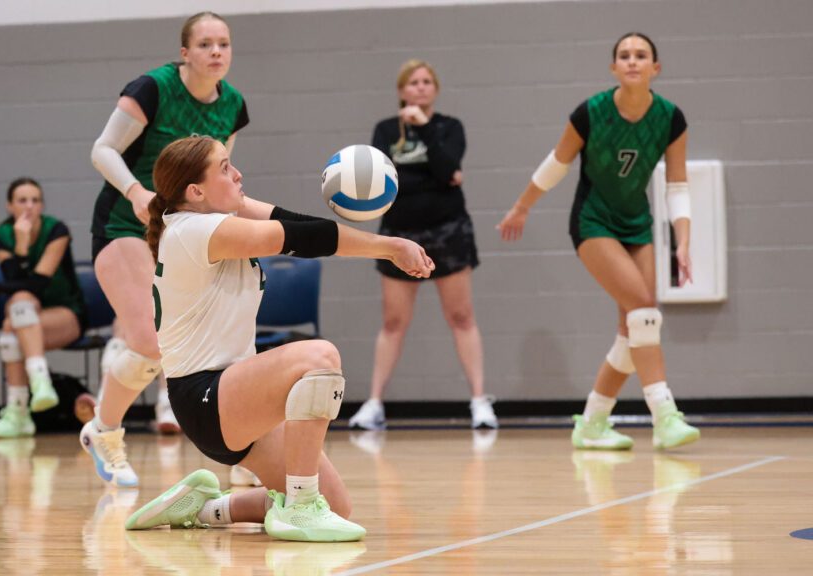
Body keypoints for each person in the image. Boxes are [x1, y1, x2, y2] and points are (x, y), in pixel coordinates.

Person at [121, 136, 433, 542]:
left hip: (236, 396)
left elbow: (301, 225)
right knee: (319, 356)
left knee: (338, 506)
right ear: (195, 192)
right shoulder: (197, 229)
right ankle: (300, 508)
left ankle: (205, 507)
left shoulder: (216, 214)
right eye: (225, 168)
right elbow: (304, 241)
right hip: (207, 397)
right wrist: (389, 247)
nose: (238, 175)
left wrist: (390, 246)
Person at [497, 32, 700, 451]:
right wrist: (522, 206)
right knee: (645, 312)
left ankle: (592, 422)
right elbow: (557, 163)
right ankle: (664, 416)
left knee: (633, 330)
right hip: (593, 222)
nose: (632, 61)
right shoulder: (590, 113)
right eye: (623, 55)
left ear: (655, 68)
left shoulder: (671, 118)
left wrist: (683, 241)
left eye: (641, 55)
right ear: (613, 68)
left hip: (637, 224)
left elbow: (677, 185)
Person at [82, 11, 250, 487]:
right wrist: (137, 194)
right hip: (125, 225)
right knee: (150, 343)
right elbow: (102, 150)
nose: (216, 52)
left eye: (224, 44)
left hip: (186, 233)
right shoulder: (152, 89)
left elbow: (218, 174)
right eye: (205, 44)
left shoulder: (234, 105)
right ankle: (104, 429)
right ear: (185, 53)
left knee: (217, 343)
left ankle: (243, 454)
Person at [349, 59, 496, 432]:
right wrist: (437, 178)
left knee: (461, 317)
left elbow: (449, 168)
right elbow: (385, 183)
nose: (420, 87)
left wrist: (427, 131)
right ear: (401, 91)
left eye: (426, 81)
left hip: (448, 230)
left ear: (435, 89)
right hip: (400, 231)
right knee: (394, 321)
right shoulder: (385, 130)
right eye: (412, 82)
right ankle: (375, 402)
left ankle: (479, 401)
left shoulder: (449, 127)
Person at [0, 177, 87, 438]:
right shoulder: (2, 234)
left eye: (35, 200)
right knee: (18, 304)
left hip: (66, 314)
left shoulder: (57, 230)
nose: (29, 206)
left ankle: (21, 409)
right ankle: (35, 393)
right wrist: (21, 245)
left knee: (12, 322)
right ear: (9, 206)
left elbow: (38, 283)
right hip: (27, 314)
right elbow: (18, 282)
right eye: (22, 200)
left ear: (42, 205)